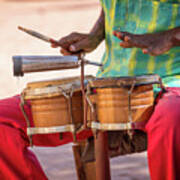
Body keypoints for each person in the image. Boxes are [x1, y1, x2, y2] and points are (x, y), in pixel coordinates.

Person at [0, 0, 180, 179]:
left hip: (171, 80)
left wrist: (171, 37)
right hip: (107, 84)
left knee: (171, 120)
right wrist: (95, 35)